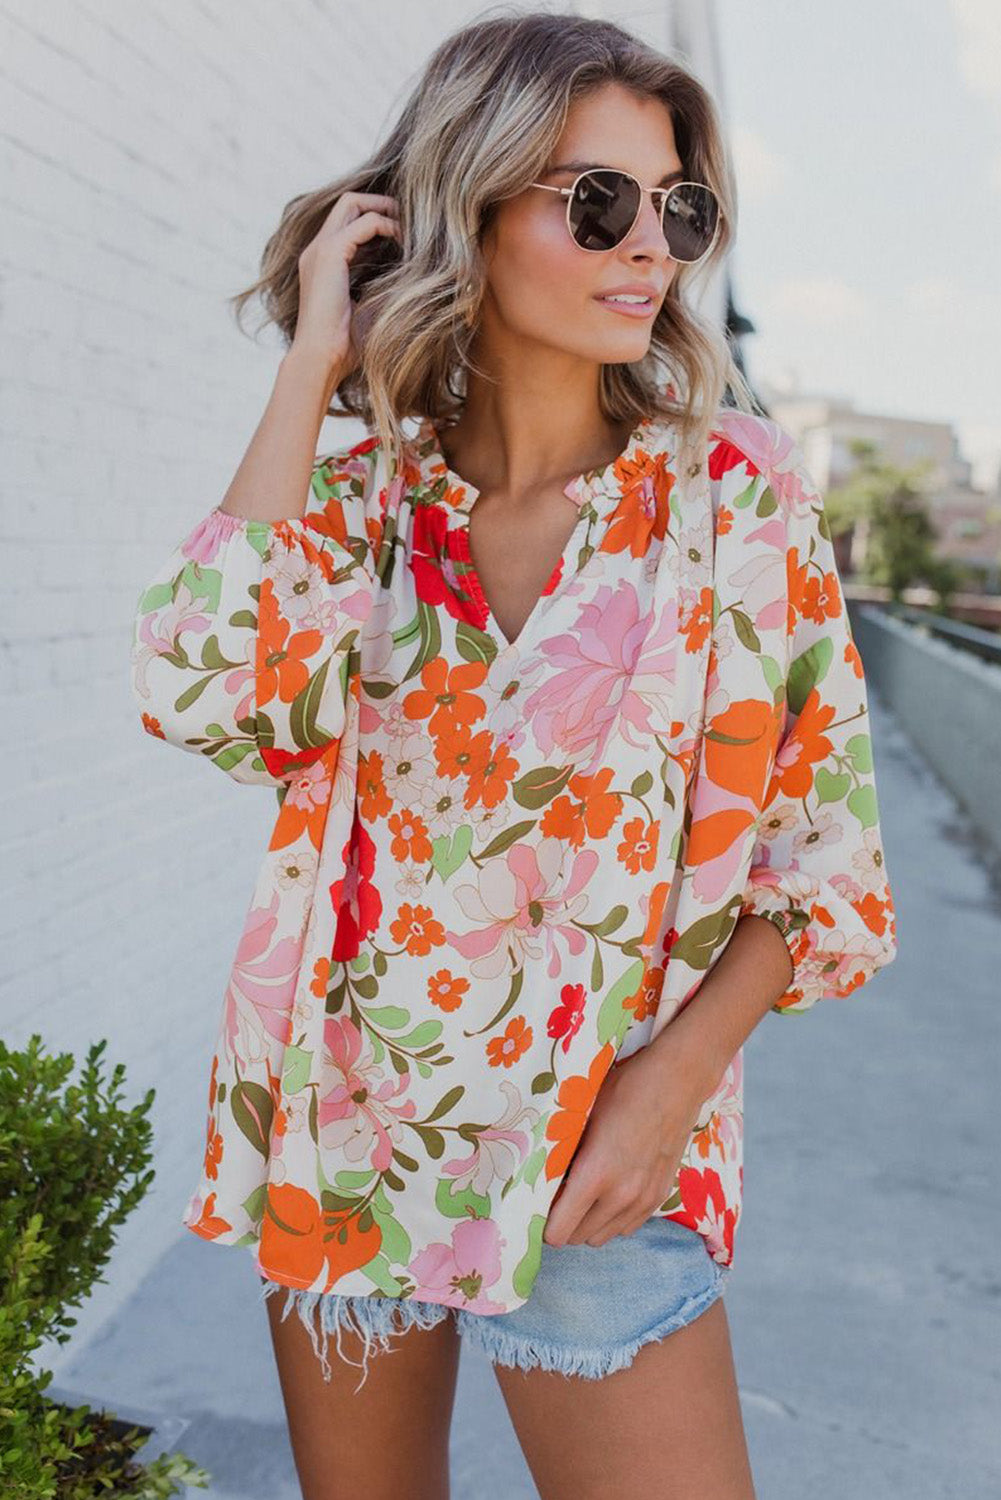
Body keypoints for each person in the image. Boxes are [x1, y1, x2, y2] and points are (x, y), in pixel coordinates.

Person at [129, 12, 898, 1499]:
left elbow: (823, 859)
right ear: (464, 207)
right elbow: (208, 692)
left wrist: (666, 1090)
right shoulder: (362, 497)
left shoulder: (732, 490)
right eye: (596, 201)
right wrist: (313, 362)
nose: (647, 247)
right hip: (354, 1122)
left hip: (603, 1147)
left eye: (677, 208)